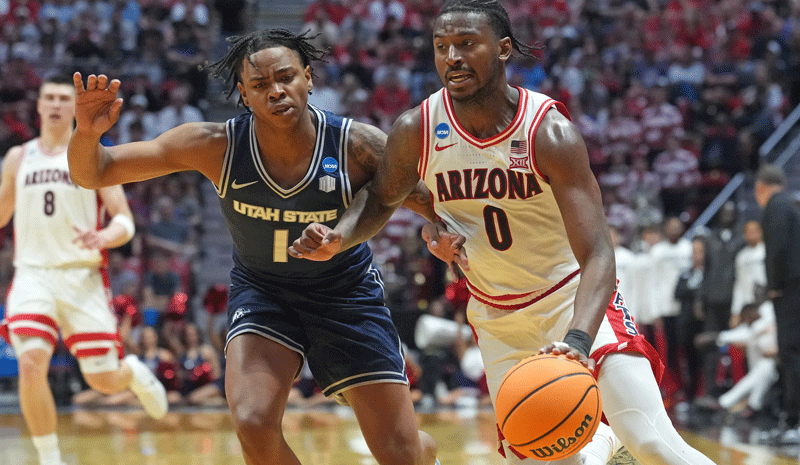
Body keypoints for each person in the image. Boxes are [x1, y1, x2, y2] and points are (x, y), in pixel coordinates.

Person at [288, 1, 718, 464]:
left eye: (467, 44)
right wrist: (340, 236)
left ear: (503, 49)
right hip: (499, 320)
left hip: (572, 302)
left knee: (653, 444)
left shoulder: (548, 133)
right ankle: (599, 445)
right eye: (441, 47)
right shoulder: (417, 128)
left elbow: (598, 254)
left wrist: (576, 340)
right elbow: (380, 198)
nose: (452, 56)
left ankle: (611, 439)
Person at [67, 29, 439, 465]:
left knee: (402, 455)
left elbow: (427, 198)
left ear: (308, 78)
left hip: (346, 295)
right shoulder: (215, 145)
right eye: (261, 85)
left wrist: (440, 230)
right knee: (252, 420)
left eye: (286, 78)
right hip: (264, 293)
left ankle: (420, 450)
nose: (276, 91)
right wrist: (87, 135)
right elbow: (94, 173)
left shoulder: (357, 143)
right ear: (244, 95)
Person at [0, 74, 167, 465]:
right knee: (29, 362)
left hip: (83, 277)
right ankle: (49, 456)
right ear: (38, 107)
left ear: (74, 107)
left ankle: (131, 372)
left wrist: (105, 237)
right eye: (50, 98)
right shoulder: (18, 158)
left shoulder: (92, 153)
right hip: (33, 275)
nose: (56, 104)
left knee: (102, 380)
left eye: (63, 98)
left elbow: (125, 221)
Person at [754, 164, 800, 443]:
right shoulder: (791, 204)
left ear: (761, 187)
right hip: (795, 288)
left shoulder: (775, 206)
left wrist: (773, 286)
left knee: (790, 353)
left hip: (789, 291)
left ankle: (793, 421)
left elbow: (778, 250)